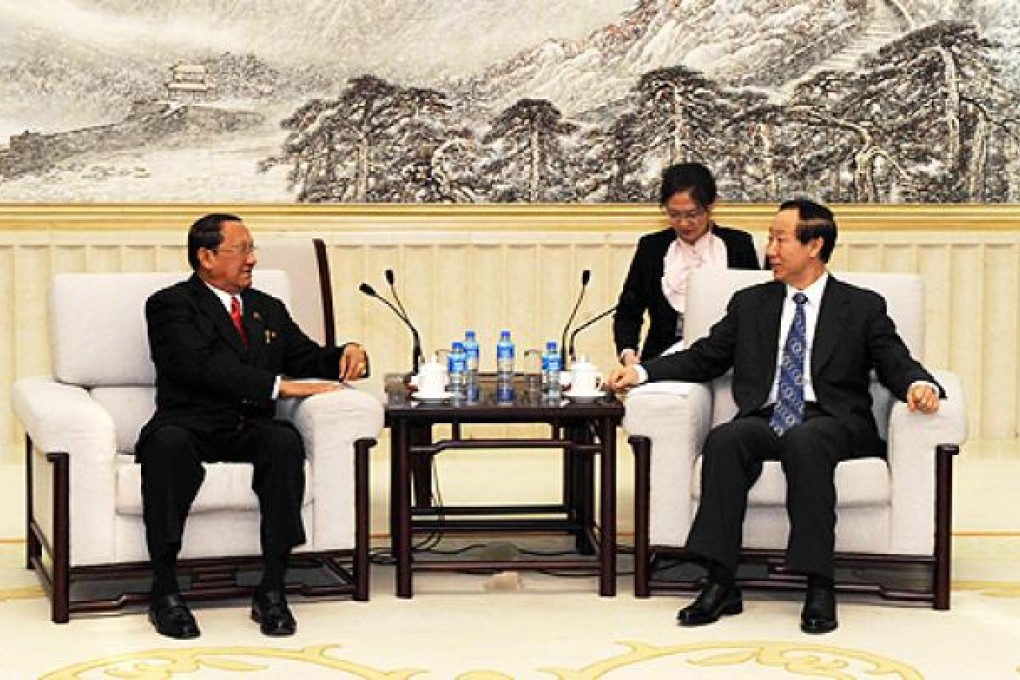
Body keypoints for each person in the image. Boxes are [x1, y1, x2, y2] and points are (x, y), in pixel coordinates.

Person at [607, 198, 942, 634]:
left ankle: (819, 583)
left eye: (781, 239)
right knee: (727, 439)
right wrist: (641, 371)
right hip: (769, 417)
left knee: (806, 440)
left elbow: (895, 360)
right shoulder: (752, 303)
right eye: (770, 238)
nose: (770, 250)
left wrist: (920, 385)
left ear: (815, 245)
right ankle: (720, 580)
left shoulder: (861, 306)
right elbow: (705, 357)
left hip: (835, 420)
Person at [135, 213, 368, 639]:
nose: (252, 259)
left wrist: (343, 356)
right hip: (187, 421)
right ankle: (165, 591)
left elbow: (304, 356)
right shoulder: (170, 305)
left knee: (283, 441)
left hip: (246, 423)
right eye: (242, 249)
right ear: (206, 257)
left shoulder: (266, 308)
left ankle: (272, 589)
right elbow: (198, 367)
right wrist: (281, 386)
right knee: (167, 449)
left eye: (251, 249)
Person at [613, 162, 761, 364]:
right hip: (662, 359)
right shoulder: (652, 248)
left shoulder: (738, 245)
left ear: (711, 206)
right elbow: (628, 312)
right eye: (674, 214)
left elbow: (754, 310)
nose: (683, 223)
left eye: (692, 214)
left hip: (726, 359)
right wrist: (628, 353)